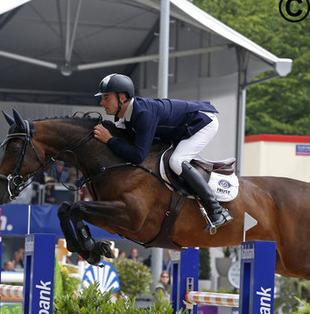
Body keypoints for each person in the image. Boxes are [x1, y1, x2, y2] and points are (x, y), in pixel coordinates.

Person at [91, 73, 231, 233]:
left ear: (122, 97)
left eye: (106, 98)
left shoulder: (143, 114)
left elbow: (138, 156)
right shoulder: (125, 117)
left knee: (176, 161)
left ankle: (216, 210)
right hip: (180, 129)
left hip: (203, 122)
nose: (102, 103)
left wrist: (109, 140)